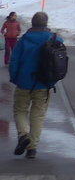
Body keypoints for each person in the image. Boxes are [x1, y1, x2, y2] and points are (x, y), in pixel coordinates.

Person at [9, 11, 55, 160]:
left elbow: (14, 61)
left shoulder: (24, 40)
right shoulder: (54, 38)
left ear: (32, 23)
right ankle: (32, 148)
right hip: (44, 83)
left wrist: (15, 78)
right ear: (46, 23)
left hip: (23, 82)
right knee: (38, 115)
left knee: (20, 110)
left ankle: (23, 135)